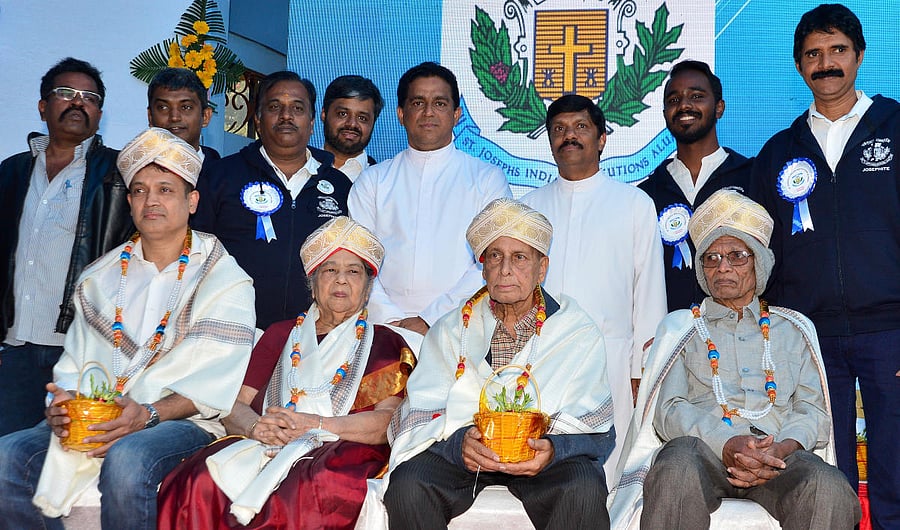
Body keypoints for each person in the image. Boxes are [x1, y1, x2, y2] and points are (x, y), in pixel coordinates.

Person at [0, 127, 256, 530]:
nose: (151, 200)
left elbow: (213, 386)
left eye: (166, 189)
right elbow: (75, 365)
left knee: (129, 459)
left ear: (192, 201)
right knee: (7, 457)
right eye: (139, 190)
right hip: (99, 413)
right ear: (130, 201)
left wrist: (147, 414)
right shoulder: (99, 277)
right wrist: (65, 406)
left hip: (184, 422)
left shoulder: (224, 278)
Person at [609, 189, 860, 529]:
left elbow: (812, 410)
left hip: (780, 460)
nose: (722, 267)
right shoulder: (681, 327)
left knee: (829, 486)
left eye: (737, 255)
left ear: (760, 263)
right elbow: (669, 410)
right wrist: (726, 443)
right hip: (705, 456)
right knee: (676, 464)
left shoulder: (793, 329)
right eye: (711, 258)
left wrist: (782, 448)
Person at [157, 215, 419, 529]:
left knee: (308, 488)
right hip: (268, 441)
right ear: (312, 283)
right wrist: (256, 427)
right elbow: (234, 404)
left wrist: (315, 424)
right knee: (198, 479)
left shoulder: (386, 341)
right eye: (329, 270)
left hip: (343, 450)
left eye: (353, 271)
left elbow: (387, 421)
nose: (340, 281)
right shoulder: (281, 334)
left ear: (367, 287)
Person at [751, 4, 900, 527]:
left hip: (890, 330)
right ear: (798, 67)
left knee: (896, 465)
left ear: (860, 55)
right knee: (821, 469)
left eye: (838, 50)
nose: (827, 63)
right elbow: (761, 249)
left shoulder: (897, 127)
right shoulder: (777, 153)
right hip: (810, 338)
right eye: (813, 54)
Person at [383, 198, 615, 529]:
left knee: (582, 486)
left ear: (542, 267)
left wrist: (553, 449)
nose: (505, 269)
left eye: (519, 257)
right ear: (483, 267)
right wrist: (458, 444)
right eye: (495, 256)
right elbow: (422, 410)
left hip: (542, 458)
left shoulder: (574, 330)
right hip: (466, 456)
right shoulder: (453, 329)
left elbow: (595, 426)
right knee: (409, 484)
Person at [521, 94, 666, 479]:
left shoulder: (634, 203)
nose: (569, 136)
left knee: (612, 472)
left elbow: (648, 291)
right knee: (546, 470)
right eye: (559, 129)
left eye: (581, 127)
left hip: (614, 361)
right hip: (540, 362)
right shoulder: (527, 207)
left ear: (602, 139)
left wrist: (642, 369)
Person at [0, 57, 133, 436]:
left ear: (100, 113)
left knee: (70, 466)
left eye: (89, 97)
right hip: (14, 350)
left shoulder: (119, 174)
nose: (78, 102)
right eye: (65, 93)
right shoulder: (10, 172)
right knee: (8, 463)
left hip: (81, 350)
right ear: (43, 106)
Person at [349, 61, 511, 335]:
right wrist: (391, 320)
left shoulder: (486, 179)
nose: (428, 112)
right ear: (401, 114)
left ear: (456, 113)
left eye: (439, 103)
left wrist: (431, 319)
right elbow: (358, 261)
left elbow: (493, 261)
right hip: (383, 329)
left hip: (463, 328)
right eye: (417, 103)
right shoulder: (373, 181)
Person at [194, 71, 352, 330]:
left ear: (312, 122)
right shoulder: (219, 177)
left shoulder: (340, 187)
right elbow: (196, 256)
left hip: (316, 336)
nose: (286, 116)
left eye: (297, 108)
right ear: (257, 119)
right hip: (234, 332)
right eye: (275, 107)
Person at [639, 60, 752, 312]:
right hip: (670, 338)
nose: (684, 105)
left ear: (719, 107)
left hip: (739, 336)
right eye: (673, 99)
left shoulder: (752, 178)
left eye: (697, 96)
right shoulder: (646, 194)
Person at [147, 67, 220, 162]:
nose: (174, 117)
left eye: (186, 107)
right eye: (163, 107)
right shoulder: (130, 172)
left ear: (206, 116)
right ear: (150, 116)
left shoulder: (226, 174)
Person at [321, 75, 384, 181]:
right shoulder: (297, 168)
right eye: (342, 114)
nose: (352, 124)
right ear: (324, 114)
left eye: (362, 118)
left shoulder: (384, 181)